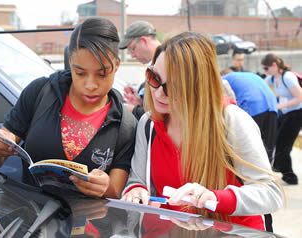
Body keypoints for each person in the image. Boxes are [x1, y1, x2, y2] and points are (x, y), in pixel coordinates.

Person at [121, 32, 283, 231]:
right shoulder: (149, 124)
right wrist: (136, 190)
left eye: (174, 87)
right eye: (153, 77)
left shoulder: (231, 121)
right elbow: (138, 180)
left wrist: (215, 198)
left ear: (199, 86)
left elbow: (271, 193)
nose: (158, 92)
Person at [0, 17, 137, 198]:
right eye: (80, 73)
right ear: (70, 64)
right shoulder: (40, 92)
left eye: (102, 74)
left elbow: (116, 191)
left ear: (117, 66)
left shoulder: (125, 125)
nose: (90, 85)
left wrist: (105, 188)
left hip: (88, 223)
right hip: (32, 219)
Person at [220, 69, 278, 163]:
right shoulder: (251, 74)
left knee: (252, 146)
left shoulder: (225, 78)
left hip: (253, 107)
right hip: (272, 106)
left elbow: (229, 100)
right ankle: (269, 173)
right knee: (268, 146)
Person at [261, 53, 302, 185]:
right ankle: (283, 171)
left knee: (284, 146)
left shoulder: (288, 77)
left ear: (274, 65)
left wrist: (279, 105)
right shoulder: (273, 78)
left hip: (296, 114)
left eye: (266, 69)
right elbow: (261, 85)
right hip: (285, 114)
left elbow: (299, 98)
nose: (265, 72)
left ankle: (290, 177)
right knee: (275, 142)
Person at [119, 21, 161, 120]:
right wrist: (140, 103)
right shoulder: (156, 66)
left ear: (144, 41)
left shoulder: (166, 65)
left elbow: (167, 111)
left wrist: (134, 110)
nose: (132, 55)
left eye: (132, 49)